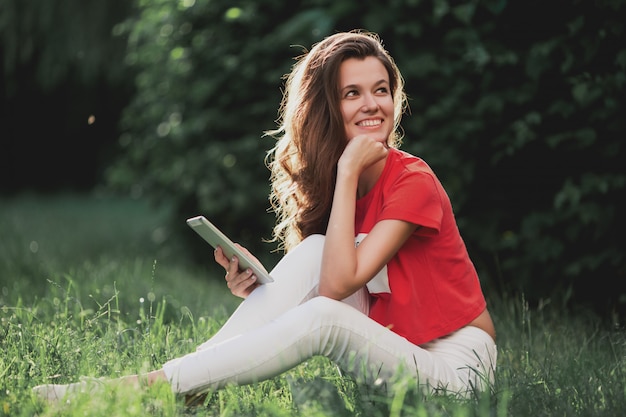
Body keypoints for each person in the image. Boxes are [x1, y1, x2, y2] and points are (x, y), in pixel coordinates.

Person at [33, 30, 496, 403]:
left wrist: (349, 169)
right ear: (328, 109)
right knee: (314, 252)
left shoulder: (412, 179)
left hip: (456, 371)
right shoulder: (345, 186)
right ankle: (185, 385)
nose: (372, 104)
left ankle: (148, 388)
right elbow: (326, 274)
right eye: (352, 93)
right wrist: (258, 289)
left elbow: (335, 289)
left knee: (323, 315)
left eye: (381, 90)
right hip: (398, 350)